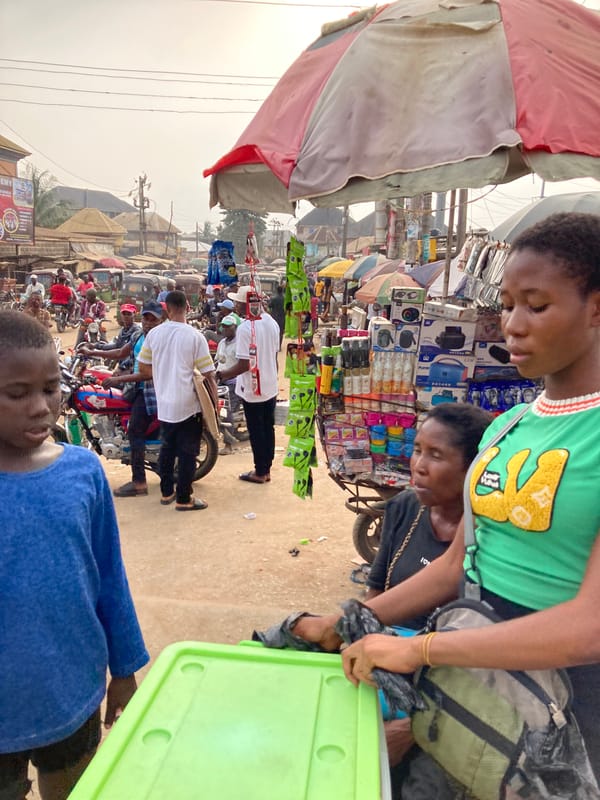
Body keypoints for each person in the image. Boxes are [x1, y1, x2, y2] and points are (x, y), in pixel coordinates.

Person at [297, 212, 600, 785]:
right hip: (475, 685)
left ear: (596, 308)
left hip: (568, 708)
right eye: (507, 303)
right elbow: (457, 564)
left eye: (535, 305)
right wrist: (352, 616)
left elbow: (591, 627)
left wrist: (423, 650)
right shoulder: (506, 428)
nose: (512, 323)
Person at [0, 310, 149, 800]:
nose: (41, 407)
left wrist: (124, 668)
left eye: (50, 388)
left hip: (72, 691)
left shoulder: (83, 473)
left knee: (75, 789)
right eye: (17, 394)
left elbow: (109, 575)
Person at [138, 290, 218, 511]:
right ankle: (184, 498)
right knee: (188, 453)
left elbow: (143, 367)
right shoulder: (195, 336)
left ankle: (166, 493)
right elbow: (208, 373)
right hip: (188, 405)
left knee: (167, 449)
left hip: (164, 403)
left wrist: (164, 376)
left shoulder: (154, 335)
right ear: (188, 308)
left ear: (167, 309)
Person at [216, 285, 280, 484]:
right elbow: (273, 355)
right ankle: (266, 468)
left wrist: (221, 375)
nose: (236, 306)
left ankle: (260, 471)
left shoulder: (245, 328)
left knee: (257, 430)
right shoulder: (271, 322)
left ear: (246, 304)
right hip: (269, 384)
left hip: (253, 388)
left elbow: (244, 364)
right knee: (267, 427)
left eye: (238, 303)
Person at [100, 301, 163, 497]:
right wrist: (91, 352)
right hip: (135, 388)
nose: (149, 322)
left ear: (161, 321)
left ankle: (139, 482)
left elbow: (147, 374)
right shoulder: (138, 336)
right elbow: (121, 353)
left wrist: (119, 378)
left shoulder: (159, 341)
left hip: (149, 392)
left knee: (135, 431)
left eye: (154, 319)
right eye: (146, 318)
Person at [215, 313, 242, 456]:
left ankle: (228, 444)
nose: (225, 329)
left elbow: (240, 366)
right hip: (220, 380)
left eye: (228, 327)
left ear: (235, 328)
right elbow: (218, 361)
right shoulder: (221, 343)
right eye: (224, 327)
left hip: (234, 382)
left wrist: (224, 374)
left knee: (225, 409)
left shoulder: (239, 344)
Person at [91, 303, 141, 371]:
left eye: (129, 314)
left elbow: (126, 352)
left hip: (131, 367)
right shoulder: (123, 330)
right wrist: (96, 346)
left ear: (134, 315)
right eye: (124, 314)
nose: (126, 316)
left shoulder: (136, 332)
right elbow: (117, 345)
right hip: (122, 363)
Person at [268, 284, 285, 349]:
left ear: (277, 290)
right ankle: (279, 346)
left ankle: (275, 345)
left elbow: (269, 306)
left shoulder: (274, 298)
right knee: (281, 332)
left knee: (274, 331)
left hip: (274, 317)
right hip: (282, 317)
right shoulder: (285, 298)